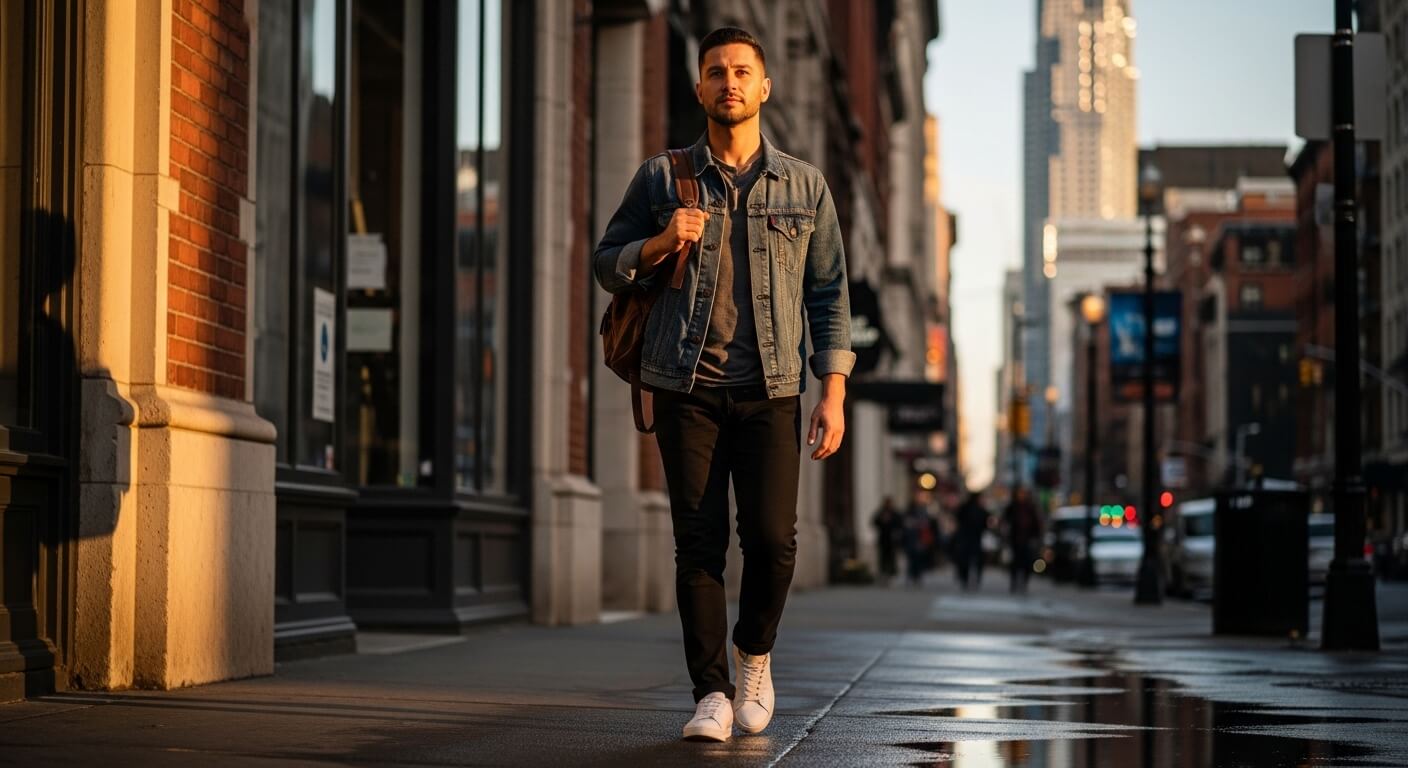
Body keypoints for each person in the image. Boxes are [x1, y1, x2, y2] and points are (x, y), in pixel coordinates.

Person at [593, 27, 854, 743]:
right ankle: (710, 692)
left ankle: (755, 655)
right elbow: (606, 262)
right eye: (716, 72)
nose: (729, 82)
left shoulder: (804, 185)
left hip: (772, 388)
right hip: (684, 384)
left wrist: (831, 390)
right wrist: (660, 241)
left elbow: (829, 293)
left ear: (764, 88)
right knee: (698, 543)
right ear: (699, 86)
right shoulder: (661, 177)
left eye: (742, 72)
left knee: (773, 541)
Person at [1005, 487, 1042, 594]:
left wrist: (1036, 537)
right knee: (1015, 563)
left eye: (1024, 494)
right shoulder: (1013, 507)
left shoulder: (1030, 508)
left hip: (1027, 540)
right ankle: (1014, 582)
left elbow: (1036, 524)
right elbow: (1006, 521)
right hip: (1015, 540)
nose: (1022, 496)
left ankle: (1024, 583)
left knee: (1026, 563)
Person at [953, 492, 989, 590]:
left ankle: (965, 579)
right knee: (974, 560)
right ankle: (974, 579)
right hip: (972, 538)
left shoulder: (965, 508)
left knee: (966, 560)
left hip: (968, 538)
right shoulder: (979, 510)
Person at [902, 491, 935, 587]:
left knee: (919, 559)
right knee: (911, 558)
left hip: (920, 538)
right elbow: (905, 523)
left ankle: (917, 576)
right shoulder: (910, 510)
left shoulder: (924, 510)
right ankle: (911, 576)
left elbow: (928, 524)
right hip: (911, 538)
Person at [871, 497, 901, 582]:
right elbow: (874, 521)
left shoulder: (894, 513)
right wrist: (882, 521)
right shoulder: (881, 512)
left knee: (891, 558)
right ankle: (883, 574)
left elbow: (899, 523)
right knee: (883, 558)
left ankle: (891, 574)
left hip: (892, 540)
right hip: (883, 539)